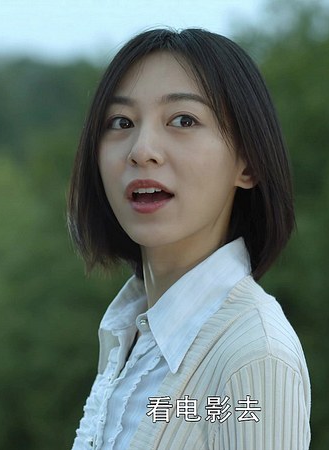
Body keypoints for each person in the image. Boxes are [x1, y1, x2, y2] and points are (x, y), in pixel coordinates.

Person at [68, 27, 310, 450]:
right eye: (121, 122)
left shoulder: (254, 356)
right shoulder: (130, 335)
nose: (142, 150)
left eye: (183, 120)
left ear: (248, 163)